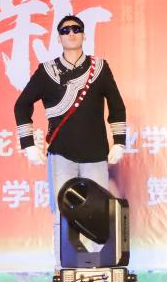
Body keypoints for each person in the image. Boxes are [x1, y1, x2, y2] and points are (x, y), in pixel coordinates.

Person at [14, 14, 127, 267]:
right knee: (63, 213)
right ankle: (63, 267)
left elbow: (117, 106)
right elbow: (22, 105)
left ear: (84, 35)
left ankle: (96, 268)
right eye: (65, 31)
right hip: (61, 154)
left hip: (95, 154)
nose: (71, 34)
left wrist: (119, 141)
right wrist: (28, 144)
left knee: (96, 212)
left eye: (76, 29)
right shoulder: (47, 71)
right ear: (59, 38)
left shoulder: (99, 68)